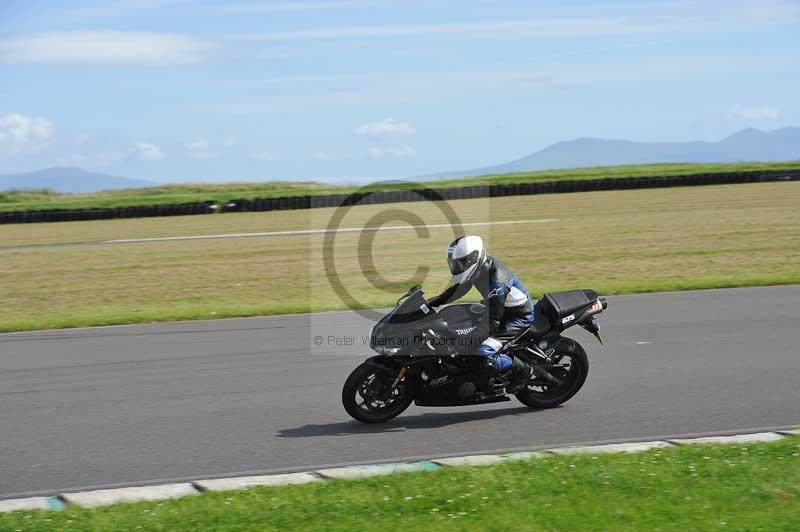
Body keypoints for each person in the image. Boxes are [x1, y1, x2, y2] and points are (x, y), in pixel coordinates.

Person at [427, 235, 534, 392]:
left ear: (473, 259)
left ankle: (522, 368)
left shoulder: (497, 282)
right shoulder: (479, 268)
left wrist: (466, 343)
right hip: (496, 308)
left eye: (460, 263)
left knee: (481, 353)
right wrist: (434, 302)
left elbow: (493, 323)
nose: (456, 266)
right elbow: (462, 288)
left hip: (515, 318)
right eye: (454, 263)